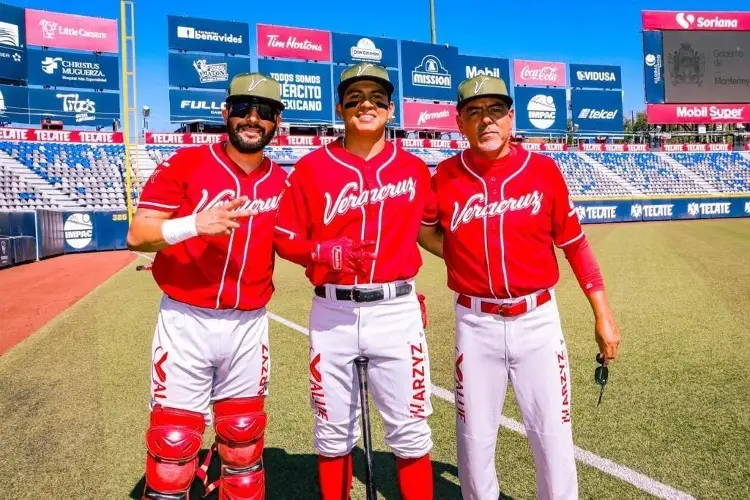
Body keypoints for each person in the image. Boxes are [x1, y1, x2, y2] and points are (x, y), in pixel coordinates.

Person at [418, 75, 622, 500]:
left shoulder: (543, 171)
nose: (485, 121)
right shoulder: (446, 176)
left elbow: (575, 245)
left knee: (553, 437)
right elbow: (426, 231)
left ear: (511, 118)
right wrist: (461, 256)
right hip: (475, 323)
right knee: (474, 442)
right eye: (474, 112)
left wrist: (602, 314)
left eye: (495, 111)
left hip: (537, 321)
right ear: (459, 122)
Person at [274, 62, 436, 499]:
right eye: (355, 97)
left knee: (410, 430)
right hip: (333, 312)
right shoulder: (310, 168)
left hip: (395, 310)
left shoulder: (415, 169)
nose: (367, 104)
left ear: (390, 107)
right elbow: (284, 238)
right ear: (339, 106)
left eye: (377, 97)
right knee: (331, 430)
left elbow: (436, 232)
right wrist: (319, 251)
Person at [126, 73, 288, 500]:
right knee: (173, 446)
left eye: (265, 112)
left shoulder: (282, 181)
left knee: (243, 441)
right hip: (186, 320)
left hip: (249, 325)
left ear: (277, 122)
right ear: (225, 113)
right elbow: (138, 235)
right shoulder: (185, 164)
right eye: (242, 109)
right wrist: (194, 224)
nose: (252, 119)